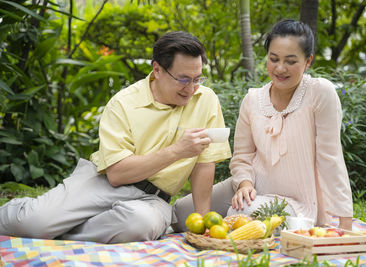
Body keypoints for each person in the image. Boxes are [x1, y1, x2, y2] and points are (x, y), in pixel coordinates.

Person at [0, 31, 231, 243]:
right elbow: (117, 174)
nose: (191, 89)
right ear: (158, 70)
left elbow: (204, 164)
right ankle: (36, 218)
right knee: (35, 223)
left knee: (139, 225)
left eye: (197, 79)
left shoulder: (206, 100)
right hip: (100, 183)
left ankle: (60, 230)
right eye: (183, 80)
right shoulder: (123, 103)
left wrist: (202, 223)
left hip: (153, 200)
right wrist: (176, 151)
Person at [172, 19, 353, 232]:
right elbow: (242, 157)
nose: (280, 68)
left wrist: (345, 221)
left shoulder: (320, 93)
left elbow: (330, 158)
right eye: (273, 59)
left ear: (308, 61)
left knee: (244, 214)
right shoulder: (252, 100)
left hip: (299, 203)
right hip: (251, 189)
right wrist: (244, 184)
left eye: (291, 61)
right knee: (182, 213)